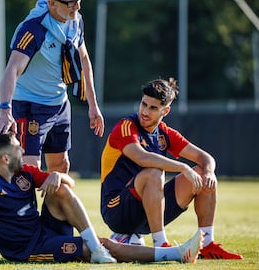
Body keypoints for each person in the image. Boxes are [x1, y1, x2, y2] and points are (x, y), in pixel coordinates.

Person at [0, 132, 203, 264]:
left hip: (44, 229)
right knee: (101, 247)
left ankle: (97, 248)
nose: (24, 151)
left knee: (60, 189)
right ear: (4, 157)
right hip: (26, 249)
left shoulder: (25, 172)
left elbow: (70, 184)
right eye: (18, 148)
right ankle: (176, 254)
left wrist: (58, 176)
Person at [100, 77, 243, 259]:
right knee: (154, 172)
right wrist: (183, 167)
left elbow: (205, 157)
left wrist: (208, 171)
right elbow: (142, 157)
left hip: (148, 212)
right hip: (117, 211)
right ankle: (161, 243)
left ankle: (207, 244)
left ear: (165, 111)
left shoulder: (164, 133)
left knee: (202, 172)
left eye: (153, 108)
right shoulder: (126, 126)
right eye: (144, 104)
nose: (145, 111)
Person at [0, 0, 104, 173]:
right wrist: (4, 110)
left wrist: (93, 105)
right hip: (30, 106)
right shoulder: (33, 29)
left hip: (60, 104)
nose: (77, 7)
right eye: (71, 3)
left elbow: (84, 59)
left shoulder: (75, 20)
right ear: (52, 4)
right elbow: (12, 69)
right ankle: (22, 205)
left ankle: (50, 206)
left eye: (79, 1)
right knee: (29, 170)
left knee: (61, 167)